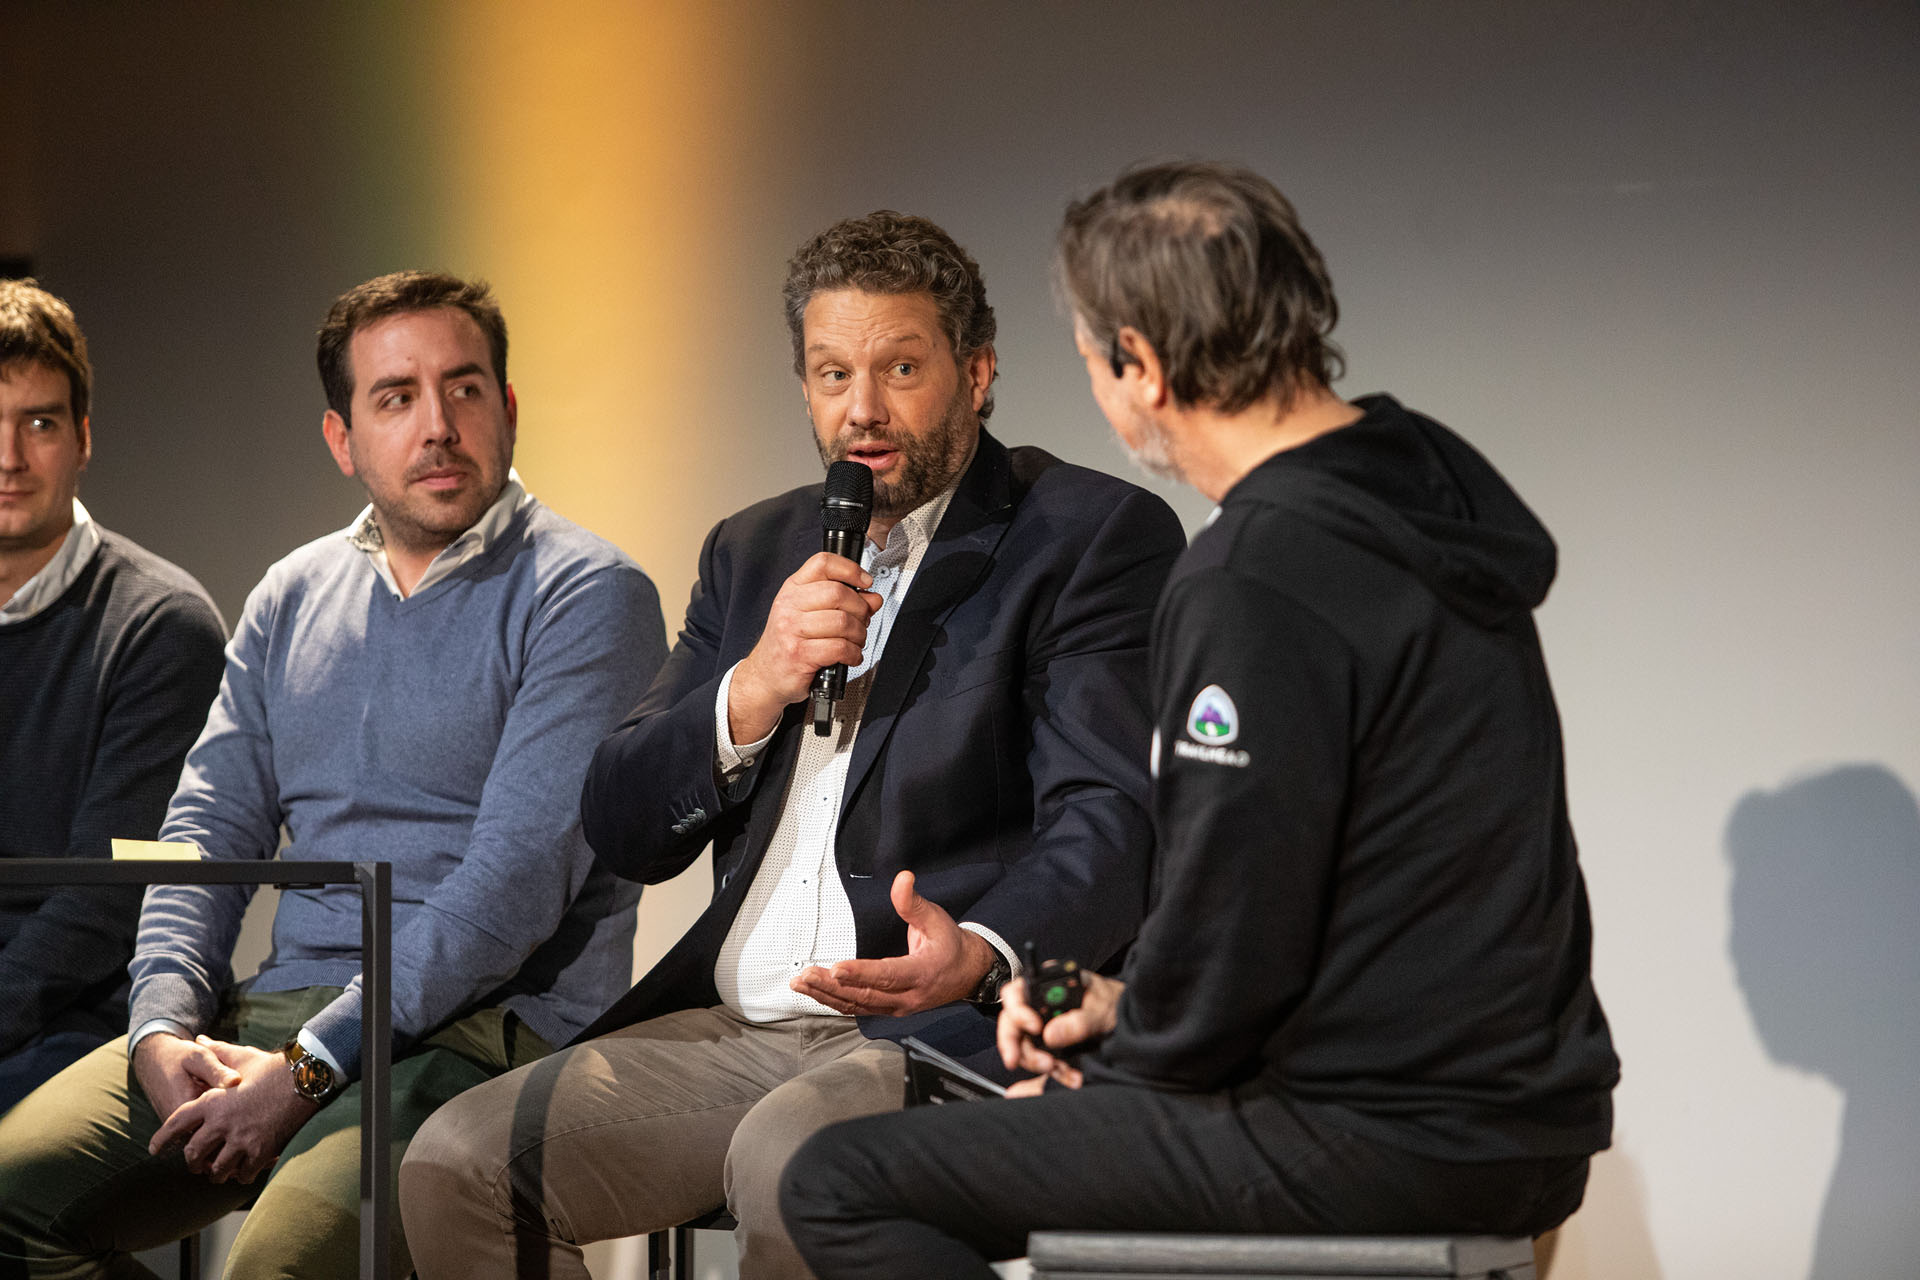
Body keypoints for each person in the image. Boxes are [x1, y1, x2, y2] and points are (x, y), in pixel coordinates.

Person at [780, 161, 1622, 1279]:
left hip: (1377, 1130)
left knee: (837, 1180)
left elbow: (1237, 914)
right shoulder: (1422, 501)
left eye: (1092, 358)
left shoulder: (1257, 579)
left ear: (1141, 361)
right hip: (1526, 1118)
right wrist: (1119, 1004)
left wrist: (1126, 1070)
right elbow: (1335, 903)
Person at [401, 211, 1185, 1279]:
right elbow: (625, 820)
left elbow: (1108, 821)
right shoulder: (752, 546)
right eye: (830, 373)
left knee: (793, 1162)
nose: (860, 409)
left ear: (978, 372)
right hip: (734, 1023)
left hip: (935, 1022)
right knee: (456, 1161)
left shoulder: (1086, 535)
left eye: (900, 367)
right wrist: (753, 685)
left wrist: (983, 951)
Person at [0, 270, 667, 1278]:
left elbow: (510, 890)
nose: (438, 425)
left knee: (273, 1266)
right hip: (274, 1019)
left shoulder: (589, 594)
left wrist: (310, 1065)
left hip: (478, 1033)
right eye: (397, 397)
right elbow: (203, 834)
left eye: (465, 387)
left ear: (509, 406)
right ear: (342, 438)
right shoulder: (290, 594)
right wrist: (160, 1022)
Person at [0, 278, 226, 1115]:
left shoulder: (161, 625)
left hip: (88, 1019)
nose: (9, 458)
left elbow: (109, 899)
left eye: (39, 422)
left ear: (83, 438)